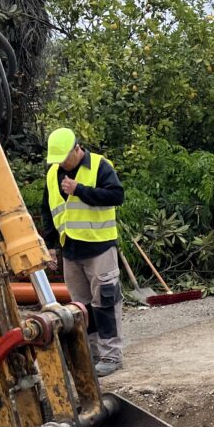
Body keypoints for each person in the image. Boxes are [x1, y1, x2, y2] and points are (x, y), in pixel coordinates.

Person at [40, 128, 126, 377]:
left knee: (106, 302)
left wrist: (80, 190)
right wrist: (51, 246)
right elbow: (48, 210)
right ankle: (92, 352)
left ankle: (111, 354)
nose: (61, 164)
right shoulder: (53, 173)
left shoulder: (100, 166)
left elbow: (116, 195)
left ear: (77, 149)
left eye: (64, 158)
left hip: (99, 246)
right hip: (71, 250)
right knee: (82, 307)